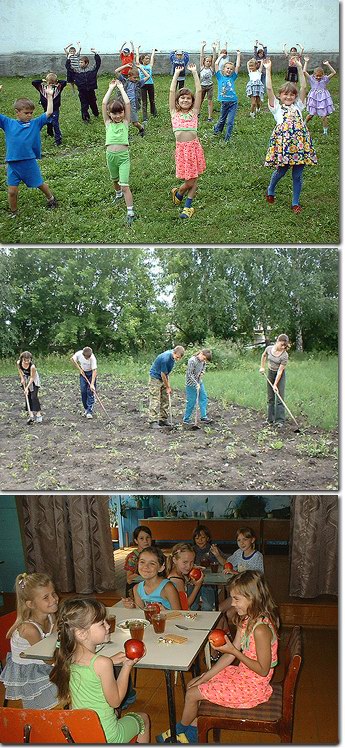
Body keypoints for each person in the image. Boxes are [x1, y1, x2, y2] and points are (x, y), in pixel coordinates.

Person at [157, 570, 279, 744]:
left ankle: (179, 732)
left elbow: (262, 669)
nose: (232, 604)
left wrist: (234, 652)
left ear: (253, 597)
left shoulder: (260, 629)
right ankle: (189, 731)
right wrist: (205, 676)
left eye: (236, 599)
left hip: (252, 687)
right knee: (196, 683)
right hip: (243, 676)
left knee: (192, 694)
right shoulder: (247, 620)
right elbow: (229, 656)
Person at [50, 598, 150, 743]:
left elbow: (90, 669)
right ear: (82, 633)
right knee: (143, 719)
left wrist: (109, 660)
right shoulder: (102, 663)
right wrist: (127, 666)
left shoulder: (67, 655)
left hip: (81, 732)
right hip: (107, 735)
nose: (108, 626)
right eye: (102, 623)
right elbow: (115, 701)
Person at [264, 57, 317, 213]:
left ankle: (295, 202)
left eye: (291, 95)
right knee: (281, 171)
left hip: (300, 144)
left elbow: (303, 87)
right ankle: (271, 189)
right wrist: (268, 70)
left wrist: (300, 68)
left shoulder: (299, 106)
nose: (288, 97)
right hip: (284, 145)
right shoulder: (277, 108)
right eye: (285, 95)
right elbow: (269, 89)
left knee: (298, 175)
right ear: (280, 96)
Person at [0, 572, 59, 708]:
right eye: (46, 597)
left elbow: (53, 641)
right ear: (31, 604)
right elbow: (48, 658)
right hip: (31, 673)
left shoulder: (50, 616)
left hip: (45, 662)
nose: (54, 599)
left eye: (53, 593)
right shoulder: (29, 629)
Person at [0, 90, 57, 218]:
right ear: (17, 112)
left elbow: (49, 112)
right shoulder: (8, 123)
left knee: (39, 184)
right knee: (12, 191)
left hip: (29, 162)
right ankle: (14, 212)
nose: (29, 115)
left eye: (31, 113)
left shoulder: (35, 123)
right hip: (13, 164)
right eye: (26, 113)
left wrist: (49, 95)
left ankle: (51, 198)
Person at [169, 64, 206, 219]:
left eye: (188, 98)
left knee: (194, 178)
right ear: (178, 101)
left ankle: (187, 206)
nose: (185, 100)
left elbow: (199, 91)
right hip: (182, 149)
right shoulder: (174, 112)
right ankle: (179, 191)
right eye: (182, 98)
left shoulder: (194, 112)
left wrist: (195, 73)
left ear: (192, 102)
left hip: (194, 148)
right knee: (189, 180)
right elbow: (171, 91)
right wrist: (176, 74)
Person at [102, 78, 137, 225]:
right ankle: (117, 194)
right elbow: (104, 104)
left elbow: (128, 103)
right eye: (114, 113)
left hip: (123, 157)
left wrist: (121, 88)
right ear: (109, 114)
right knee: (114, 180)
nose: (117, 116)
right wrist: (110, 88)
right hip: (110, 156)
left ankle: (130, 211)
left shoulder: (125, 123)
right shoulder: (108, 123)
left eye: (120, 112)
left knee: (124, 185)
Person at [148, 345, 185, 429]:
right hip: (155, 378)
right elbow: (163, 374)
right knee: (155, 399)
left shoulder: (173, 357)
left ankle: (162, 419)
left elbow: (166, 373)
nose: (177, 359)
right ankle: (152, 421)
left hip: (164, 377)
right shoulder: (165, 358)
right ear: (174, 352)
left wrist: (167, 385)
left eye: (179, 358)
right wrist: (168, 387)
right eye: (177, 357)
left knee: (165, 398)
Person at [259, 333, 290, 427]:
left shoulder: (284, 355)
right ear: (277, 341)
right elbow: (264, 355)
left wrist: (275, 384)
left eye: (285, 346)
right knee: (270, 398)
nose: (283, 347)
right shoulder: (269, 349)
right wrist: (262, 367)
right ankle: (270, 420)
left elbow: (280, 371)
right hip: (270, 373)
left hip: (279, 375)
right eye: (282, 345)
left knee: (279, 398)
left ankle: (280, 421)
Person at [114, 63, 150, 136]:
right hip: (123, 104)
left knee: (135, 123)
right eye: (134, 77)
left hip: (133, 105)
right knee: (122, 121)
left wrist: (140, 68)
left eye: (137, 77)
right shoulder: (124, 81)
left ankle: (141, 129)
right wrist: (126, 66)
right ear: (129, 76)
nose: (136, 79)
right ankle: (125, 135)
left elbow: (148, 76)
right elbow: (116, 71)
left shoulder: (138, 83)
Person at [32, 72, 67, 146]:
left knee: (55, 123)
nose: (51, 85)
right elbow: (34, 82)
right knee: (48, 122)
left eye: (52, 83)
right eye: (49, 83)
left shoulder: (58, 87)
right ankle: (49, 133)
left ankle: (58, 140)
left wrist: (57, 82)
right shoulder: (42, 88)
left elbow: (64, 82)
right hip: (46, 109)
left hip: (55, 109)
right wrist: (43, 81)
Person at [303, 57, 336, 136]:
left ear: (323, 75)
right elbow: (304, 71)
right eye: (316, 76)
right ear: (314, 75)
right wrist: (306, 62)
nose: (318, 77)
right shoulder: (311, 79)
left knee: (324, 116)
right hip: (314, 99)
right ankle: (303, 124)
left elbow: (334, 72)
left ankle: (325, 131)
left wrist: (328, 64)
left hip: (323, 99)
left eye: (320, 76)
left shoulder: (325, 79)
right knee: (311, 114)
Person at [166, 543, 205, 610]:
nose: (189, 566)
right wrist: (197, 586)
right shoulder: (177, 580)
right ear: (175, 560)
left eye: (192, 562)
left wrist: (193, 570)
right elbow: (185, 606)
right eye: (185, 562)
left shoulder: (177, 572)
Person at [213, 49, 241, 142]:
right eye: (227, 68)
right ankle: (217, 130)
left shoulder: (233, 78)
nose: (229, 70)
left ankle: (227, 139)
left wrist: (238, 55)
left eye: (231, 69)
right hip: (224, 103)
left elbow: (237, 66)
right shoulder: (220, 77)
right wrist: (221, 56)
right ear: (223, 69)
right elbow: (216, 64)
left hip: (233, 102)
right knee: (222, 119)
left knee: (230, 122)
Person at [67, 49, 101, 123]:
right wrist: (68, 58)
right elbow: (69, 68)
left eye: (81, 62)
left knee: (93, 104)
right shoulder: (77, 71)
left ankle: (96, 114)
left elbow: (98, 63)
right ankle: (86, 119)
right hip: (82, 92)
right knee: (84, 106)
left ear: (87, 63)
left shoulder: (91, 70)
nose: (80, 63)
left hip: (91, 91)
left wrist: (96, 54)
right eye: (79, 62)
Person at [182, 349, 212, 428]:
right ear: (201, 353)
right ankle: (186, 419)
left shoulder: (203, 361)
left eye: (205, 359)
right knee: (191, 402)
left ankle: (203, 417)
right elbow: (189, 374)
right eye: (204, 358)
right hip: (191, 384)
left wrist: (202, 373)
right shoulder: (192, 361)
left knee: (203, 398)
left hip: (199, 382)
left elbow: (203, 368)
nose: (204, 360)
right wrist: (195, 383)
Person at [124, 525, 153, 596]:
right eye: (141, 538)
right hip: (136, 587)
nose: (145, 541)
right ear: (136, 541)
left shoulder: (155, 554)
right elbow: (129, 579)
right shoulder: (132, 557)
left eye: (148, 538)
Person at [17, 350, 43, 424]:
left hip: (33, 380)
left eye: (28, 360)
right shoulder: (19, 363)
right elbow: (19, 370)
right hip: (25, 378)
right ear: (22, 359)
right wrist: (22, 378)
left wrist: (27, 387)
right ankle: (31, 415)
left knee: (33, 396)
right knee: (27, 396)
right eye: (25, 360)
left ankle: (38, 414)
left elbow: (32, 378)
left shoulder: (32, 367)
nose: (26, 362)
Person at [71, 346, 97, 419]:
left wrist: (92, 384)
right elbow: (72, 359)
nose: (88, 358)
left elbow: (94, 371)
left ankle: (89, 411)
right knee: (83, 391)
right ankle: (86, 408)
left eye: (89, 357)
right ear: (83, 355)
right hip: (83, 373)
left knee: (90, 391)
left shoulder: (92, 358)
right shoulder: (79, 354)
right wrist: (79, 369)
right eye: (87, 357)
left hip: (91, 374)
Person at [135, 46, 158, 121]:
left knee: (152, 99)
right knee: (144, 101)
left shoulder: (150, 65)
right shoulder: (139, 65)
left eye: (148, 58)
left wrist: (153, 51)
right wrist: (137, 50)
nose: (148, 59)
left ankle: (153, 113)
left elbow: (152, 57)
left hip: (150, 84)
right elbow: (137, 56)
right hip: (143, 85)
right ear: (142, 59)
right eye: (146, 58)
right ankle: (145, 117)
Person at [199, 41, 217, 121]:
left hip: (210, 86)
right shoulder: (201, 67)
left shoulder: (211, 68)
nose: (209, 62)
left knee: (210, 101)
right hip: (202, 86)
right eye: (207, 61)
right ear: (204, 62)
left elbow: (214, 57)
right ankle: (197, 113)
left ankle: (209, 117)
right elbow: (201, 56)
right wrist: (203, 47)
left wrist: (214, 49)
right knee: (200, 100)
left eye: (210, 61)